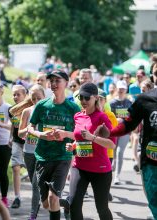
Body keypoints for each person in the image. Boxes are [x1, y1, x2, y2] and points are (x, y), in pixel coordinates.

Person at [96, 60, 157, 219]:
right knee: (154, 202)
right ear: (153, 76)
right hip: (151, 163)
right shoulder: (145, 99)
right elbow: (128, 124)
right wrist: (109, 132)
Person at [28, 69, 80, 220]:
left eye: (58, 81)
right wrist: (41, 134)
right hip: (43, 156)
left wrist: (66, 135)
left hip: (62, 157)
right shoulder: (42, 105)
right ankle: (65, 203)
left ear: (66, 84)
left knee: (53, 198)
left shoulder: (73, 109)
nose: (54, 84)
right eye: (51, 81)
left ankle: (59, 202)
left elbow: (80, 133)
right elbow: (30, 127)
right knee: (45, 204)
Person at [60, 83, 115, 220]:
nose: (83, 101)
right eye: (81, 97)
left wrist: (93, 137)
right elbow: (79, 137)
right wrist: (73, 145)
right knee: (74, 205)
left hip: (100, 170)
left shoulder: (102, 117)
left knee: (102, 209)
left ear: (95, 98)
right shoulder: (78, 116)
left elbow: (111, 144)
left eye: (86, 98)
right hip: (79, 166)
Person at [18, 84, 46, 220]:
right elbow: (20, 133)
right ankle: (64, 203)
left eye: (39, 98)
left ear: (44, 97)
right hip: (28, 153)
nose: (36, 101)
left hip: (43, 154)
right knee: (38, 186)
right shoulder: (27, 112)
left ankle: (32, 215)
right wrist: (28, 130)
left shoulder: (48, 111)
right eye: (33, 98)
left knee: (36, 185)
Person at [109, 80, 132, 185]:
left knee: (119, 152)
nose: (121, 90)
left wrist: (125, 120)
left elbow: (132, 117)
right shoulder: (112, 103)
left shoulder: (129, 103)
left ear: (126, 90)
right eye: (120, 88)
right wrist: (116, 120)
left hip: (125, 131)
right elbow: (109, 118)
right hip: (114, 131)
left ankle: (117, 177)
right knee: (113, 151)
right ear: (116, 89)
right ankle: (113, 168)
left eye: (123, 89)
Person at [8, 85, 27, 208]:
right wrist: (10, 137)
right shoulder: (11, 109)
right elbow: (13, 125)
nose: (15, 97)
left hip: (30, 143)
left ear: (25, 95)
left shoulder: (30, 108)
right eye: (14, 94)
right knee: (15, 167)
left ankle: (41, 194)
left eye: (18, 94)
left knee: (34, 170)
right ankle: (17, 197)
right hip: (16, 141)